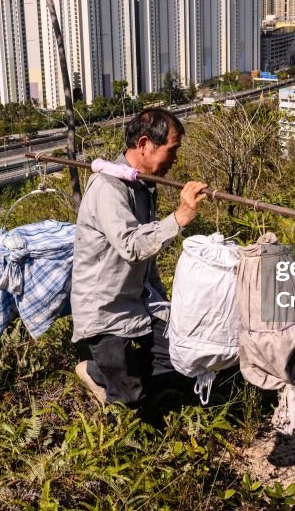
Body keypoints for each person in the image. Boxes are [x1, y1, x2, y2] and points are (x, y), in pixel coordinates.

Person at [71, 109, 208, 412]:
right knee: (131, 399)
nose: (175, 160)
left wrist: (162, 298)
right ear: (144, 143)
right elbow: (132, 246)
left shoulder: (144, 186)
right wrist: (182, 215)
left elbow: (147, 257)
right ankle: (100, 375)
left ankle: (116, 375)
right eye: (171, 151)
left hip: (138, 300)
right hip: (105, 308)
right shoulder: (108, 188)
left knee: (182, 357)